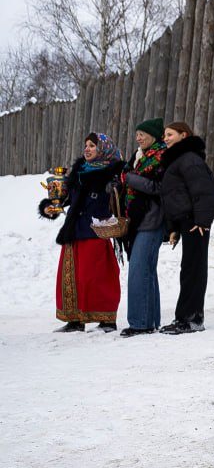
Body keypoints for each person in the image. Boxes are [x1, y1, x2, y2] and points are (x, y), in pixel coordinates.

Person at [39, 132, 125, 332]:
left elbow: (120, 200)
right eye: (86, 145)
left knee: (96, 278)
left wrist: (114, 190)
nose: (87, 149)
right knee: (71, 277)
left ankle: (106, 320)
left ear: (102, 148)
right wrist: (49, 207)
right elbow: (63, 199)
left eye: (92, 146)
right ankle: (75, 320)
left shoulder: (113, 173)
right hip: (74, 231)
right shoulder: (79, 172)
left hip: (96, 231)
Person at [143, 121, 214, 335]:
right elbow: (176, 197)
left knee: (193, 270)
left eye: (170, 134)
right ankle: (184, 318)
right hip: (187, 221)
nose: (165, 138)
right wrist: (175, 228)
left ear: (183, 135)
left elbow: (207, 192)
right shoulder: (178, 160)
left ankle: (192, 319)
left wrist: (202, 221)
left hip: (196, 223)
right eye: (165, 135)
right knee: (188, 269)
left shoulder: (190, 160)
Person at [119, 117, 167, 337]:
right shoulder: (139, 157)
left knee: (139, 268)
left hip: (153, 217)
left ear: (153, 136)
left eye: (142, 134)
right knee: (146, 269)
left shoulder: (162, 156)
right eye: (137, 134)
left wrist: (130, 179)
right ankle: (150, 320)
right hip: (140, 219)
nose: (138, 138)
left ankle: (140, 323)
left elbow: (158, 187)